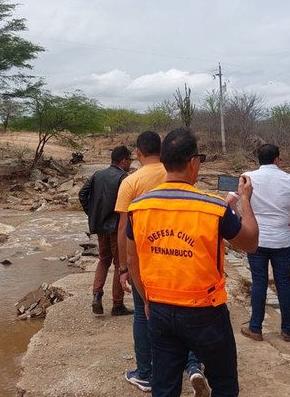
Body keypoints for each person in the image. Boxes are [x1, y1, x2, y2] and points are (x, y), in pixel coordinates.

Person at [126, 128, 259, 397]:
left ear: (164, 161)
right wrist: (244, 199)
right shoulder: (213, 207)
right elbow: (251, 242)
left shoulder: (139, 207)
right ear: (194, 162)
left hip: (160, 310)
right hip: (206, 312)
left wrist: (147, 299)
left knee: (164, 387)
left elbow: (132, 259)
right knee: (223, 384)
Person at [115, 131, 209, 395]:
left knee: (144, 317)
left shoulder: (131, 182)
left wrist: (123, 268)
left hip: (145, 262)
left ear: (138, 153)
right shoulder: (179, 173)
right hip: (181, 253)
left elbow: (124, 227)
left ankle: (145, 373)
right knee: (186, 310)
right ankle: (192, 366)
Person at [239, 143, 290, 342]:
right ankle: (287, 330)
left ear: (258, 159)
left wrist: (242, 221)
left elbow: (229, 201)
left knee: (259, 281)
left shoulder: (248, 177)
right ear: (277, 159)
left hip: (256, 239)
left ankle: (255, 328)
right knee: (283, 282)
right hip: (282, 239)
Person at [78, 145, 134, 316]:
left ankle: (97, 295)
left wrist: (92, 213)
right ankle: (117, 304)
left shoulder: (97, 175)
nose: (131, 163)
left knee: (103, 260)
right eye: (129, 160)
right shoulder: (124, 178)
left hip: (100, 226)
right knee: (119, 264)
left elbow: (82, 194)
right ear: (123, 160)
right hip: (117, 227)